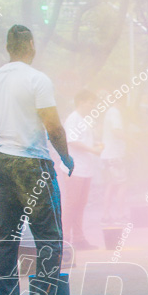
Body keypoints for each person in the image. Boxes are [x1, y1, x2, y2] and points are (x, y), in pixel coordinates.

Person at [0, 24, 74, 295]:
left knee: (6, 237)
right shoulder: (37, 79)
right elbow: (53, 125)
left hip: (3, 160)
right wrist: (65, 155)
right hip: (33, 163)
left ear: (8, 47)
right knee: (48, 235)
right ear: (30, 45)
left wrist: (10, 133)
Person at [62, 90, 102, 249]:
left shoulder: (86, 120)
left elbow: (86, 139)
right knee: (71, 204)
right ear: (80, 102)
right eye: (90, 102)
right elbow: (72, 141)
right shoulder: (73, 119)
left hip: (86, 168)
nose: (92, 105)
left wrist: (96, 144)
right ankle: (65, 239)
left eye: (94, 102)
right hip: (74, 168)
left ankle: (79, 239)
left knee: (81, 204)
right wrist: (92, 150)